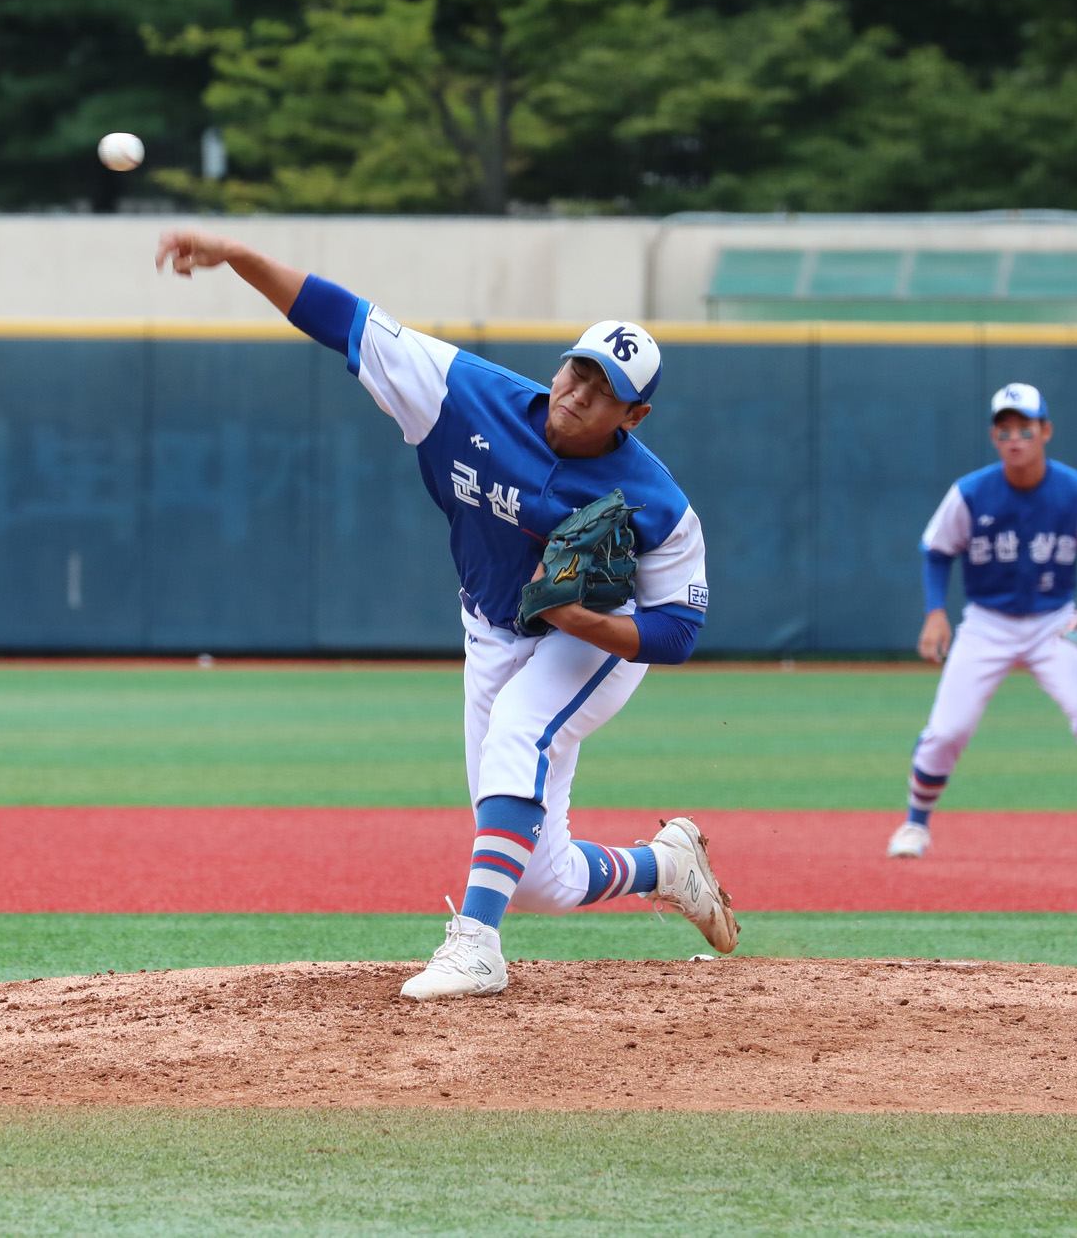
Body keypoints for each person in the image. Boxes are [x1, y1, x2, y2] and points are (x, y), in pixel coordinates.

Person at [154, 230, 738, 1001]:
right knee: (539, 877)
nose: (579, 390)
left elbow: (678, 632)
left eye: (604, 388)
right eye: (577, 368)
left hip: (594, 642)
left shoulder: (658, 501)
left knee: (520, 732)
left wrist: (581, 622)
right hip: (492, 630)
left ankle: (476, 945)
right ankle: (668, 865)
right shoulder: (466, 393)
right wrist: (238, 255)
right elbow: (345, 319)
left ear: (634, 412)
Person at [891, 383, 1077, 862]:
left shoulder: (1076, 491)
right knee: (948, 729)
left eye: (1025, 428)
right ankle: (915, 826)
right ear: (993, 437)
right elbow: (937, 551)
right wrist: (935, 612)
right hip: (986, 622)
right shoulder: (971, 492)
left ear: (1046, 431)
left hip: (1055, 623)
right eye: (1005, 431)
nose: (1015, 438)